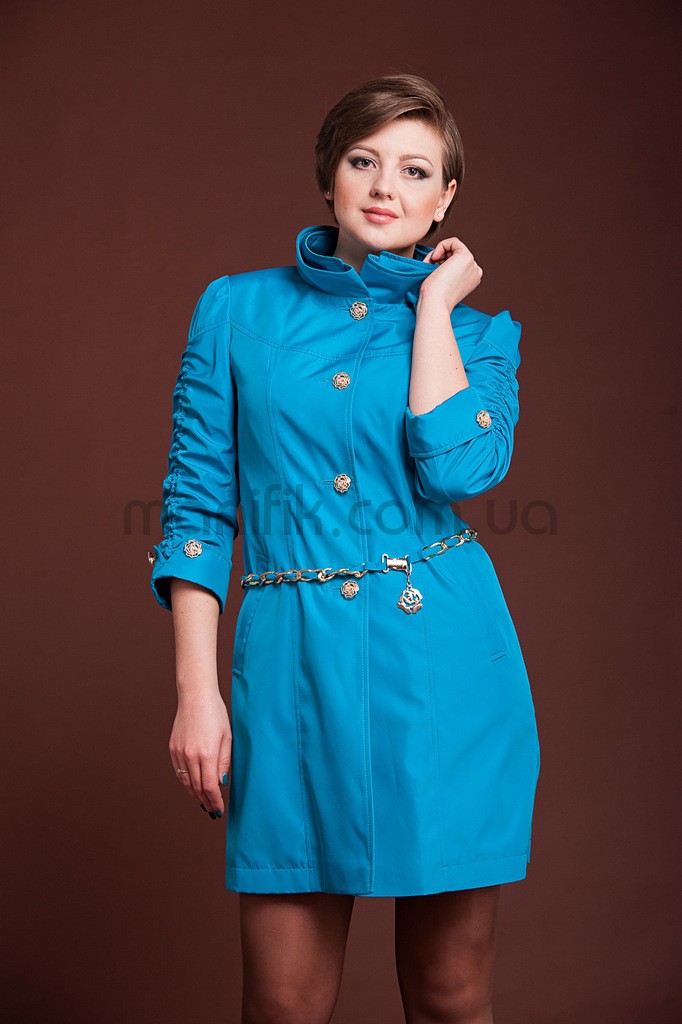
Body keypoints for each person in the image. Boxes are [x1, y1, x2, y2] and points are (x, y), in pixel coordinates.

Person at [148, 73, 541, 1024]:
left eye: (415, 170)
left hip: (444, 667)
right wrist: (197, 694)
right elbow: (197, 506)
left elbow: (456, 466)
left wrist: (436, 307)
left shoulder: (480, 336)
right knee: (283, 1003)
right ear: (329, 173)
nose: (384, 187)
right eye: (364, 161)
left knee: (450, 996)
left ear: (445, 199)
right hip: (291, 666)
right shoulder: (236, 310)